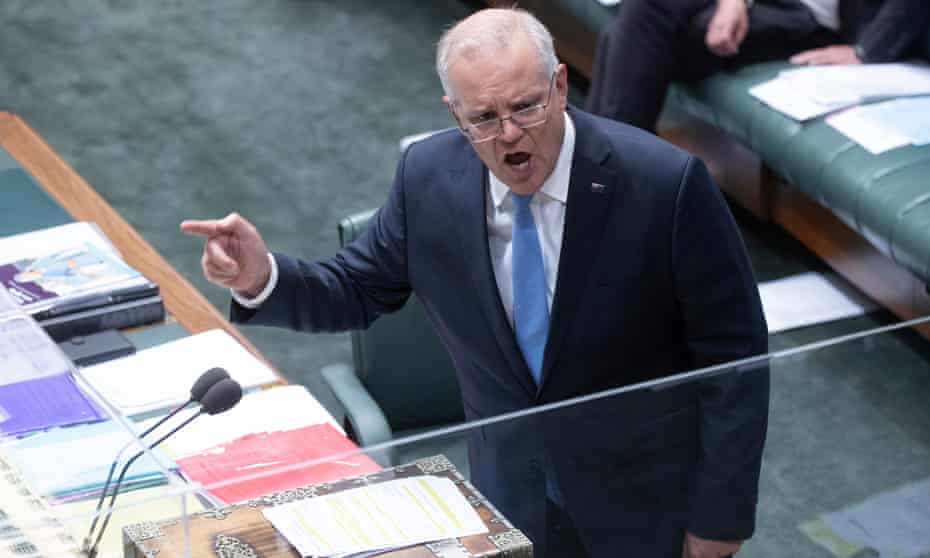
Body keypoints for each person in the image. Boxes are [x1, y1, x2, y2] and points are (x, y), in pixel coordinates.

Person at [182, 8, 769, 558]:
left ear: (560, 85)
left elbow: (734, 361)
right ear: (454, 114)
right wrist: (262, 277)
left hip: (643, 511)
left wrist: (719, 520)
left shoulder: (664, 186)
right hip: (508, 502)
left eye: (527, 107)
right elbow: (356, 288)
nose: (510, 134)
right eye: (484, 118)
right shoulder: (427, 179)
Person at [586, 0, 930, 133]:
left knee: (638, 36)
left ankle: (600, 178)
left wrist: (867, 51)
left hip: (811, 15)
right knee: (641, 18)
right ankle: (608, 180)